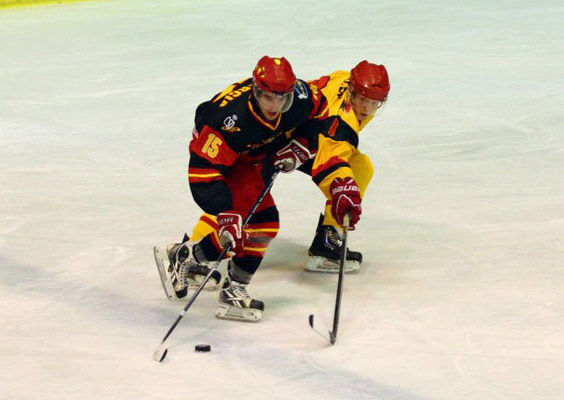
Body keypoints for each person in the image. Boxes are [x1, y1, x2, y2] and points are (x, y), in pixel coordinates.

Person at [155, 56, 326, 322]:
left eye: (282, 98)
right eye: (269, 98)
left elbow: (323, 114)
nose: (276, 106)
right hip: (219, 158)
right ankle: (216, 275)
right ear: (256, 91)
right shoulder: (228, 121)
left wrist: (303, 143)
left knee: (265, 224)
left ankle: (192, 259)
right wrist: (224, 212)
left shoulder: (301, 98)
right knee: (244, 224)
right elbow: (203, 172)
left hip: (253, 154)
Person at [298, 60, 390, 273]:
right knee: (242, 192)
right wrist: (344, 193)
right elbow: (327, 164)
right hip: (277, 139)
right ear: (352, 92)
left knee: (361, 166)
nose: (367, 108)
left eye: (375, 103)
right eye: (363, 100)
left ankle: (328, 239)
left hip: (310, 136)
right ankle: (204, 248)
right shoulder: (344, 120)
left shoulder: (344, 78)